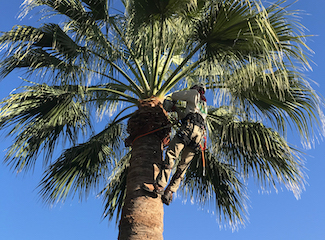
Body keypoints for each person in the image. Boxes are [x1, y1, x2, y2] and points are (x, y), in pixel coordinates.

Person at [142, 84, 207, 205]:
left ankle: (159, 186)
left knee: (171, 155)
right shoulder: (203, 104)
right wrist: (176, 109)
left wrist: (166, 101)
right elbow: (191, 115)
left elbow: (175, 96)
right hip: (199, 136)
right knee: (183, 166)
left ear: (196, 88)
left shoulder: (193, 94)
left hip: (188, 129)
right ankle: (170, 191)